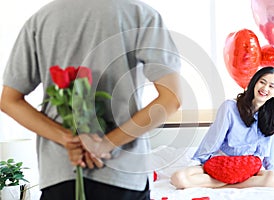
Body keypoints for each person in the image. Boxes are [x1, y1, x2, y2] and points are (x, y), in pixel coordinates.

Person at [0, 0, 182, 199]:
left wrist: (68, 139)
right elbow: (171, 99)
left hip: (60, 175)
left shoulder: (41, 20)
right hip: (122, 174)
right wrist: (104, 144)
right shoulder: (140, 14)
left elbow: (10, 100)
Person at [171, 66, 274, 189]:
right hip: (221, 164)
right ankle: (233, 184)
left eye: (271, 86)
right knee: (178, 178)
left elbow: (273, 158)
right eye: (262, 82)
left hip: (249, 169)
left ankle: (219, 185)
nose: (265, 88)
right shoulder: (230, 108)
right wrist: (198, 163)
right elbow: (213, 140)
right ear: (254, 83)